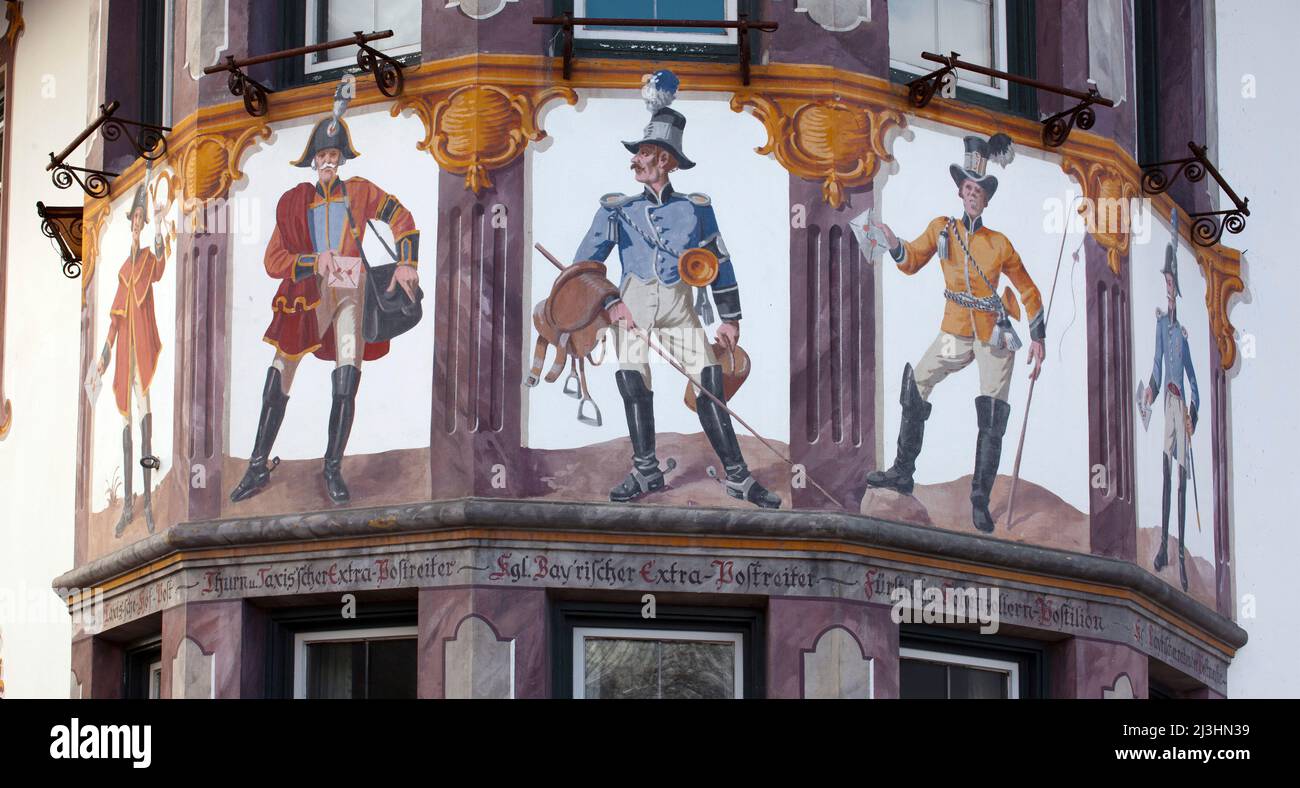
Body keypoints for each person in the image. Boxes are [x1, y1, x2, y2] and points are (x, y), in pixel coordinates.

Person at [572, 70, 780, 509]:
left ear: (665, 160)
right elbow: (584, 267)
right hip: (630, 305)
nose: (634, 161)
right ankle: (645, 470)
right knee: (632, 380)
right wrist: (611, 303)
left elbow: (719, 261)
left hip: (680, 307)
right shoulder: (617, 211)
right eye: (637, 154)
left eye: (643, 154)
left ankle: (739, 478)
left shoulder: (696, 210)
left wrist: (729, 318)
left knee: (709, 383)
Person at [229, 103, 420, 507]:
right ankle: (257, 464)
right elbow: (272, 261)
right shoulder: (294, 203)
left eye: (334, 155)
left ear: (341, 160)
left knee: (347, 374)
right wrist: (314, 261)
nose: (328, 161)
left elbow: (401, 216)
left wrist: (406, 264)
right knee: (281, 368)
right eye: (323, 156)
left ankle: (332, 467)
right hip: (310, 292)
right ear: (313, 162)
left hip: (352, 288)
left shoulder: (362, 191)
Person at [866, 134, 1046, 533]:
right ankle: (902, 471)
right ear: (960, 192)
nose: (972, 195)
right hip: (956, 330)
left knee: (992, 412)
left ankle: (979, 499)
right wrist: (895, 243)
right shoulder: (941, 228)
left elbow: (1028, 289)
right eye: (967, 188)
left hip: (994, 335)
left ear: (986, 198)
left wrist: (1037, 334)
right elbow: (911, 260)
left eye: (979, 190)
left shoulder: (999, 244)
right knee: (917, 382)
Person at [98, 182, 166, 536]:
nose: (137, 223)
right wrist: (102, 359)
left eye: (141, 218)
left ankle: (150, 505)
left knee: (145, 426)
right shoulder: (124, 270)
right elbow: (114, 321)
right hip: (124, 359)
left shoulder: (147, 262)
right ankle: (128, 506)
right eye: (135, 219)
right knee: (126, 429)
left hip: (143, 355)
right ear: (130, 225)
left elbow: (160, 267)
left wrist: (159, 224)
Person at [1145, 235, 1199, 590]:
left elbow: (1193, 379)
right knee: (1166, 474)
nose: (1167, 287)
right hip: (1166, 402)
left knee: (1181, 479)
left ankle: (1180, 555)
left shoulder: (1182, 331)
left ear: (1177, 288)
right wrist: (1150, 388)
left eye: (1170, 282)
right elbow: (1156, 366)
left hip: (1181, 406)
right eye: (1165, 281)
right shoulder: (1163, 326)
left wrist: (1194, 412)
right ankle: (1164, 545)